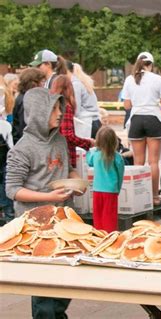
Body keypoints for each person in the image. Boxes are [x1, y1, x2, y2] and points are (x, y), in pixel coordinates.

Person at [6, 87, 80, 318]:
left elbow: (67, 171)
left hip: (63, 223)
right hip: (35, 228)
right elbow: (12, 190)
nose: (59, 113)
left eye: (60, 107)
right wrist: (49, 198)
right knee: (45, 292)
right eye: (54, 108)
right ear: (39, 112)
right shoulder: (22, 149)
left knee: (65, 284)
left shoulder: (60, 140)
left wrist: (76, 183)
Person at [123, 51, 161, 206]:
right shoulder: (157, 79)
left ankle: (137, 198)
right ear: (151, 64)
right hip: (153, 118)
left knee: (138, 162)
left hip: (136, 120)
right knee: (153, 162)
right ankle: (154, 197)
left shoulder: (129, 79)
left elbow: (127, 105)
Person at [50, 75, 94, 168]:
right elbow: (68, 135)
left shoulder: (51, 106)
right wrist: (88, 143)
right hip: (65, 155)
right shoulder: (65, 107)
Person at [87, 126, 124, 232]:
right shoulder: (117, 157)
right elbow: (120, 175)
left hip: (97, 189)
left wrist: (92, 148)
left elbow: (89, 161)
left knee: (98, 214)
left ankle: (99, 235)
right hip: (111, 190)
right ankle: (110, 235)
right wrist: (118, 189)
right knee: (110, 215)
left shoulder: (95, 155)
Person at [12, 68, 46, 144]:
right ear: (34, 83)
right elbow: (24, 127)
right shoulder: (26, 100)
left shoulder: (24, 97)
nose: (44, 85)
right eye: (42, 82)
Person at [70, 62, 102, 138]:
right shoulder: (86, 83)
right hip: (96, 121)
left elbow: (76, 108)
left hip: (86, 124)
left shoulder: (76, 84)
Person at [0, 116, 14, 222]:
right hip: (4, 162)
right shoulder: (5, 126)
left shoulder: (5, 126)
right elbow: (11, 147)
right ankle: (8, 215)